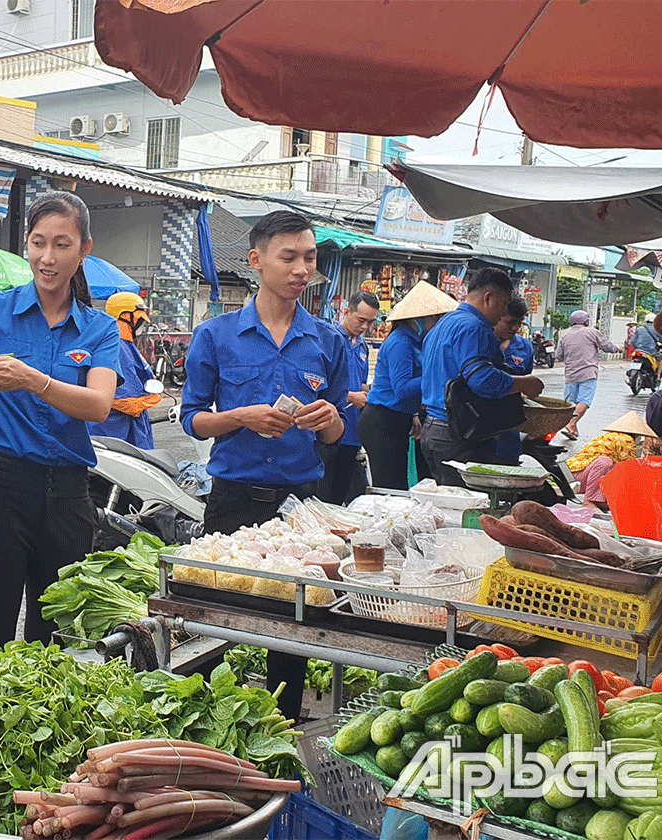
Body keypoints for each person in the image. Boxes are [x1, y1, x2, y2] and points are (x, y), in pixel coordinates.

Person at [181, 209, 347, 723]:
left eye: (310, 258)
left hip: (300, 512)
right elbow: (192, 420)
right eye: (289, 257)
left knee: (293, 635)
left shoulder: (328, 340)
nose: (302, 269)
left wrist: (328, 419)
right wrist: (240, 417)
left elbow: (339, 435)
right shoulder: (216, 335)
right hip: (231, 502)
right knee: (213, 625)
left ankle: (283, 729)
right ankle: (203, 729)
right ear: (256, 261)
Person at [0, 191, 121, 647]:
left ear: (84, 249)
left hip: (68, 495)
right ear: (26, 245)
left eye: (62, 244)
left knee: (58, 641)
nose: (47, 257)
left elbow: (99, 405)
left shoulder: (100, 328)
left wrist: (31, 379)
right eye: (37, 243)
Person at [420, 268, 544, 487]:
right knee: (468, 505)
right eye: (504, 303)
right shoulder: (474, 327)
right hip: (459, 435)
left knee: (448, 500)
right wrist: (524, 383)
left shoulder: (445, 323)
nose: (504, 311)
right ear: (489, 298)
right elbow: (482, 380)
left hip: (433, 430)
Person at [359, 281, 458, 490]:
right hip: (382, 421)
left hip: (398, 418)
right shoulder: (400, 343)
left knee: (399, 485)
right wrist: (434, 375)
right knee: (390, 487)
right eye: (435, 318)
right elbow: (402, 389)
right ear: (420, 318)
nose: (437, 323)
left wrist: (413, 415)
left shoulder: (416, 342)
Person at [317, 290, 378, 504]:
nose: (365, 327)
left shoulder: (362, 347)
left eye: (370, 322)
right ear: (346, 312)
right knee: (321, 492)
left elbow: (358, 381)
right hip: (331, 429)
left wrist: (369, 390)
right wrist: (351, 396)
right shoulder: (329, 340)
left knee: (341, 494)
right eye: (361, 320)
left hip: (353, 431)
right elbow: (319, 384)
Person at [87, 291, 161, 447]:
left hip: (119, 429)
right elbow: (126, 400)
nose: (141, 323)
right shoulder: (117, 346)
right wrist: (152, 398)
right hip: (115, 431)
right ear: (126, 316)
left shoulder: (124, 343)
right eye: (139, 318)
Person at [567, 412, 662, 510]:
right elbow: (630, 467)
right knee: (605, 462)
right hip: (579, 477)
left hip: (573, 474)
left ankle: (599, 500)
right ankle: (590, 501)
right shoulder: (626, 439)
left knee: (611, 468)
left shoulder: (609, 436)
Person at [555, 308, 620, 440]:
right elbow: (606, 346)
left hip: (571, 375)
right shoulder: (592, 332)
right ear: (585, 321)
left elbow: (558, 356)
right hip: (588, 373)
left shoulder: (564, 336)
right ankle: (571, 423)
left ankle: (573, 429)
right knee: (584, 400)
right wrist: (617, 349)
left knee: (571, 403)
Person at [492, 296, 533, 464]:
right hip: (478, 429)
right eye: (510, 322)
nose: (515, 328)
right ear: (497, 315)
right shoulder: (479, 342)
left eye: (519, 323)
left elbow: (526, 387)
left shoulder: (525, 348)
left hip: (509, 432)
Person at [630, 312, 662, 382]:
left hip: (639, 350)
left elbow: (633, 341)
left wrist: (636, 348)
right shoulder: (656, 329)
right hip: (651, 352)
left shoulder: (640, 329)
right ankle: (658, 376)